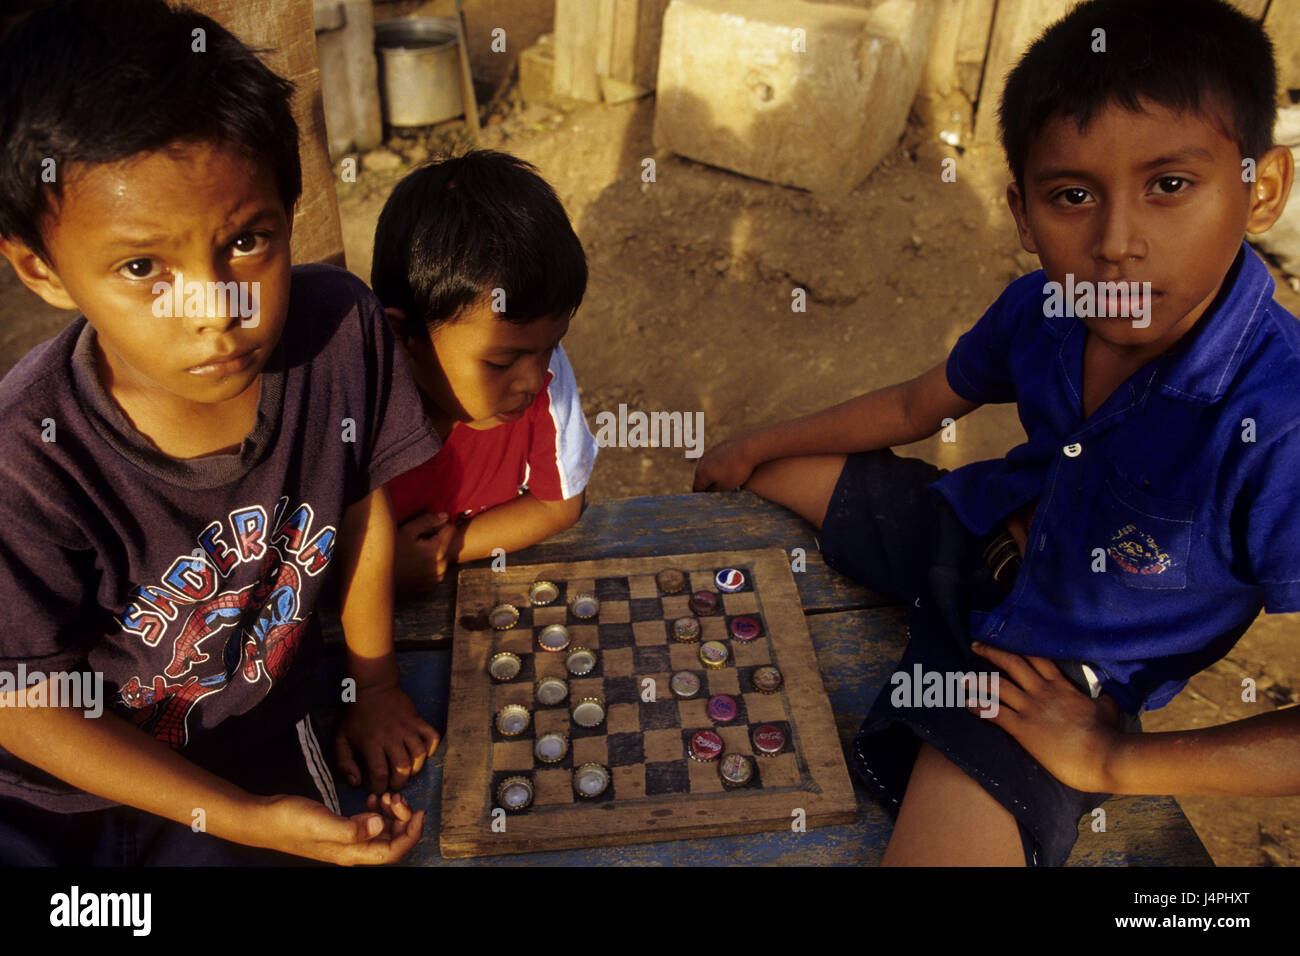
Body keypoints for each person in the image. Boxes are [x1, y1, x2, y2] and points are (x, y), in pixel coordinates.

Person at [694, 0, 1299, 866]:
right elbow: (916, 406)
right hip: (970, 533)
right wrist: (757, 442)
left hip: (1040, 676)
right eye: (1073, 197)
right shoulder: (1042, 309)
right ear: (1022, 214)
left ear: (1262, 189)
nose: (1116, 244)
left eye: (1170, 184)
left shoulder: (1280, 423)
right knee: (756, 483)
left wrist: (1114, 757)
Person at [0, 0, 441, 865]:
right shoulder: (27, 458)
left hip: (250, 754)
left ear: (290, 207)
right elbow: (23, 703)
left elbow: (358, 516)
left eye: (246, 241)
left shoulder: (339, 335)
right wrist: (233, 820)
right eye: (142, 268)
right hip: (56, 795)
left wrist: (375, 683)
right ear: (41, 271)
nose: (217, 310)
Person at [371, 151, 597, 594]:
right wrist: (376, 570)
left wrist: (447, 550)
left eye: (549, 348)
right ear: (403, 337)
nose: (533, 381)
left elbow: (560, 506)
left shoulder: (540, 366)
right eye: (499, 363)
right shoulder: (354, 405)